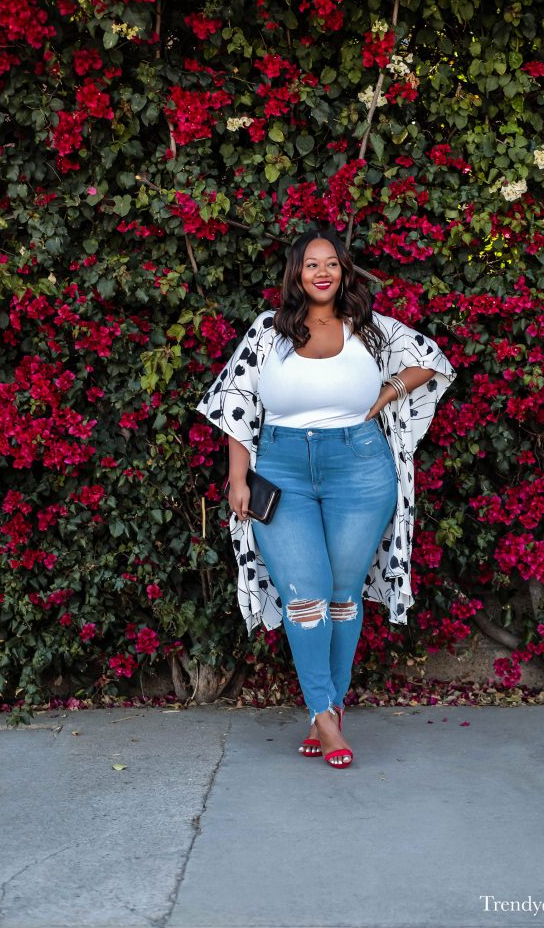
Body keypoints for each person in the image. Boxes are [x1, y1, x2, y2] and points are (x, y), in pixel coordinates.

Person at [195, 228, 457, 769]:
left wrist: (386, 394)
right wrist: (238, 478)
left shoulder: (369, 328)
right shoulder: (268, 331)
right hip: (282, 469)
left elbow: (430, 359)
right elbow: (237, 402)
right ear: (296, 273)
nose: (321, 272)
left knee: (341, 596)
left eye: (331, 263)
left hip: (359, 468)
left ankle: (329, 711)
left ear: (343, 272)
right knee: (304, 597)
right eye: (311, 263)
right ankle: (324, 712)